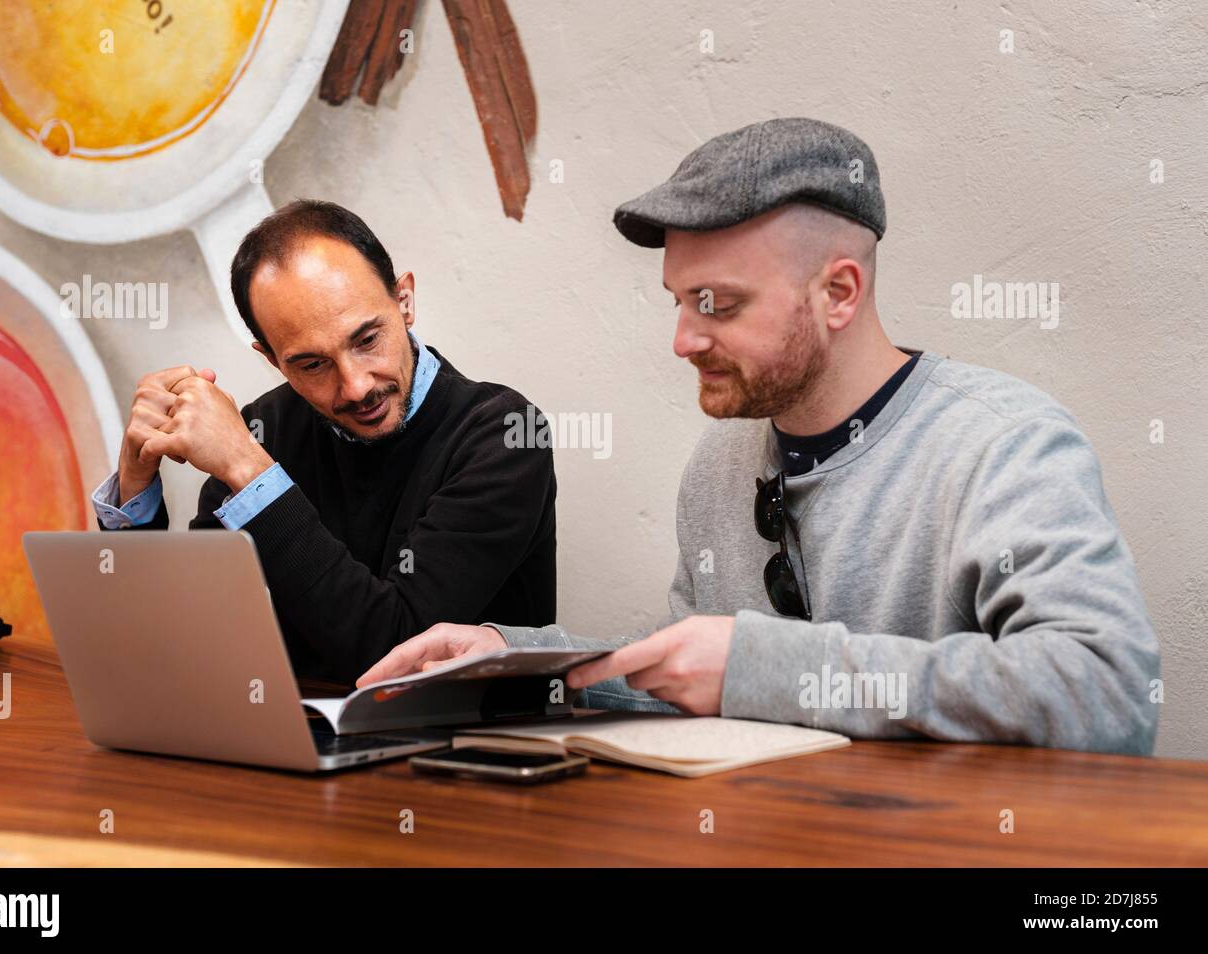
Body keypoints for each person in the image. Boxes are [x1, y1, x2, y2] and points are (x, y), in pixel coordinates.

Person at [358, 118, 1159, 755]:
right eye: (677, 300)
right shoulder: (721, 464)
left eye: (718, 303)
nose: (682, 339)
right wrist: (508, 655)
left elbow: (1108, 692)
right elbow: (698, 675)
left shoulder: (1005, 444)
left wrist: (767, 666)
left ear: (839, 292)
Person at [91, 200, 557, 683]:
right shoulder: (263, 428)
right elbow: (188, 634)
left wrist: (250, 474)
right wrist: (136, 480)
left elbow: (397, 657)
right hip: (295, 736)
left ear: (405, 302)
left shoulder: (506, 434)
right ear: (272, 360)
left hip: (471, 747)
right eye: (312, 365)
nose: (356, 387)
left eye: (367, 340)